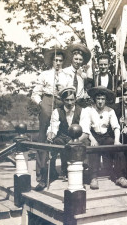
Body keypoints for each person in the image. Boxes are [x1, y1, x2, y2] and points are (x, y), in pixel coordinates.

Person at [34, 87, 90, 191]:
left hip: (79, 138)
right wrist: (50, 134)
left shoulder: (83, 111)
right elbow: (53, 127)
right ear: (63, 100)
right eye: (67, 100)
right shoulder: (57, 111)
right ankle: (46, 177)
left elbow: (86, 132)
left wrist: (73, 142)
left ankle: (81, 178)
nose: (70, 102)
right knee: (50, 144)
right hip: (62, 137)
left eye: (72, 99)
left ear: (75, 99)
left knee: (84, 144)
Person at [31, 47, 70, 183]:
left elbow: (70, 92)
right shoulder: (44, 74)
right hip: (48, 101)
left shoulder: (67, 76)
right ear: (52, 61)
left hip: (61, 103)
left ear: (63, 62)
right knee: (44, 137)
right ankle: (41, 172)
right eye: (55, 60)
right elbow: (35, 93)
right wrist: (42, 103)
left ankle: (54, 170)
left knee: (59, 135)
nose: (58, 63)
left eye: (60, 60)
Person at [86, 86, 127, 189]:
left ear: (105, 100)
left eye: (103, 99)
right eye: (98, 99)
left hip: (105, 136)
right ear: (94, 99)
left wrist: (117, 140)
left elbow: (116, 127)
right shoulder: (88, 110)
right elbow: (85, 127)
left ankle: (120, 176)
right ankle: (93, 177)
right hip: (93, 135)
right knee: (93, 149)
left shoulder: (110, 111)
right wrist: (92, 139)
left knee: (118, 149)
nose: (100, 101)